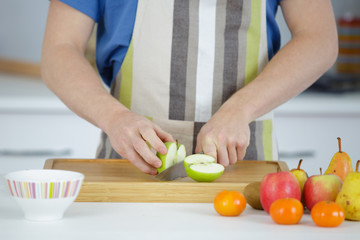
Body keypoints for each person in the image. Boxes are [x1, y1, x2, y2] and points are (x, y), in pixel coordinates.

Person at [41, 0, 338, 175]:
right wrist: (115, 118)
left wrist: (239, 109)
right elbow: (59, 48)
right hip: (129, 169)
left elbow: (319, 38)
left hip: (248, 170)